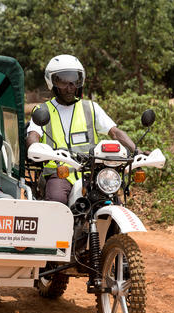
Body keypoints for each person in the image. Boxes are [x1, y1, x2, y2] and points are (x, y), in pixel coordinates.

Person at [26, 54, 139, 204]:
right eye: (63, 81)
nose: (70, 87)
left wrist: (137, 151)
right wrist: (35, 148)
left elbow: (115, 132)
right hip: (59, 173)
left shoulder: (90, 108)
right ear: (51, 82)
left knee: (113, 200)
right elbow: (33, 135)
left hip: (91, 172)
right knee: (56, 200)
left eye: (74, 81)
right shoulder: (42, 110)